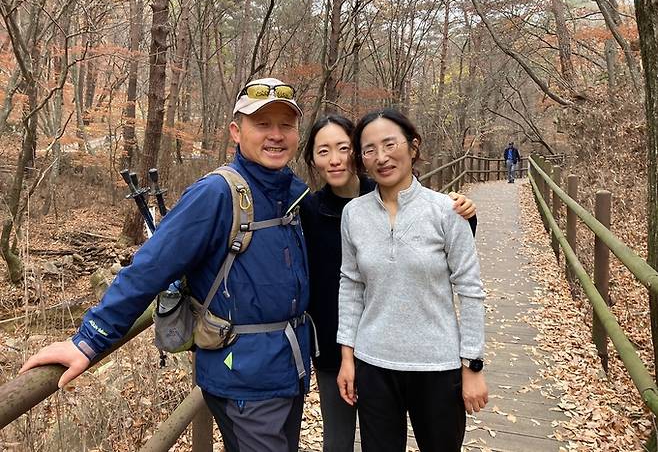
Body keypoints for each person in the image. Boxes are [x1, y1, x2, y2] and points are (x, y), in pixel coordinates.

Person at [20, 77, 313, 452]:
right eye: (262, 124)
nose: (276, 135)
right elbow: (149, 268)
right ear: (236, 132)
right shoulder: (215, 194)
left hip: (287, 370)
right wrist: (88, 340)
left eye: (285, 125)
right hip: (243, 378)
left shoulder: (289, 192)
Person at [300, 114, 478, 452]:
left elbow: (464, 278)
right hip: (353, 350)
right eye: (323, 151)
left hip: (433, 360)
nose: (335, 159)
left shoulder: (435, 207)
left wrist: (473, 364)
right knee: (339, 442)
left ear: (412, 148)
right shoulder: (314, 210)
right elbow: (348, 283)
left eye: (343, 148)